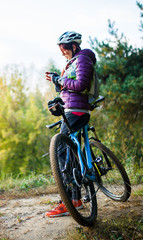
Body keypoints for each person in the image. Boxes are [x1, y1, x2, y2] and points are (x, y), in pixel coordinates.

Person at [45, 31, 97, 218]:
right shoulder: (73, 63)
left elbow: (81, 85)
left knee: (61, 150)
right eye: (60, 48)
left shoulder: (82, 59)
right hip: (71, 110)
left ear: (74, 46)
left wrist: (59, 80)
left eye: (64, 48)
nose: (62, 51)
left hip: (76, 111)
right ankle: (75, 198)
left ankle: (71, 200)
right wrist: (57, 95)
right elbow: (69, 88)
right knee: (69, 152)